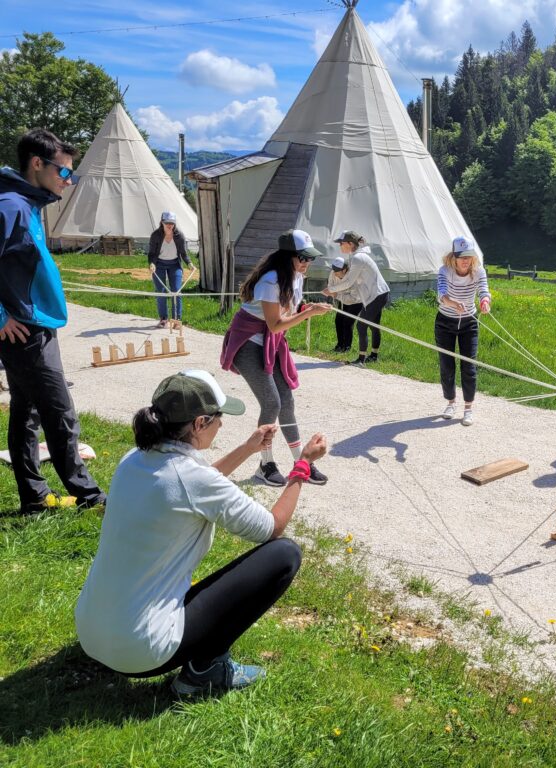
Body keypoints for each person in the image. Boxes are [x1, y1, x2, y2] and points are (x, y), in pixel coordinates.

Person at [75, 369, 327, 695]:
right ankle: (204, 671)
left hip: (92, 631)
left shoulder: (133, 459)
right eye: (217, 417)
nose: (221, 423)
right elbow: (273, 527)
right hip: (141, 650)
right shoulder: (191, 479)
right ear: (198, 424)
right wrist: (302, 464)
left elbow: (193, 483)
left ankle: (196, 665)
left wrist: (249, 448)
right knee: (284, 554)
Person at [0, 128, 106, 514]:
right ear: (36, 164)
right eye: (64, 172)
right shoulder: (10, 205)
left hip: (37, 324)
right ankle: (89, 497)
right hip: (24, 329)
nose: (68, 181)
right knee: (59, 413)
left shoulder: (29, 203)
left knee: (26, 414)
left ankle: (34, 498)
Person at [221, 229, 331, 487]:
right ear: (288, 256)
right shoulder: (271, 280)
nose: (307, 263)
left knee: (287, 401)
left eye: (310, 258)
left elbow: (289, 311)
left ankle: (301, 462)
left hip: (271, 343)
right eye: (302, 257)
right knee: (272, 403)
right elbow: (274, 324)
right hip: (248, 344)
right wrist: (309, 314)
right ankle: (265, 464)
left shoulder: (296, 277)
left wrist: (307, 309)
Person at [434, 236, 491, 426]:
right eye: (461, 257)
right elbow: (441, 293)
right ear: (454, 257)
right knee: (447, 365)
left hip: (469, 323)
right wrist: (451, 302)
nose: (465, 260)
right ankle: (450, 403)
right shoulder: (444, 271)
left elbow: (483, 289)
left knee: (469, 367)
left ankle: (468, 408)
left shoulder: (478, 271)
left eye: (469, 256)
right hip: (445, 322)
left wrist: (484, 301)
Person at [322, 230, 390, 366]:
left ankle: (361, 360)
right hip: (377, 294)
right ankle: (373, 356)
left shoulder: (358, 258)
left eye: (341, 243)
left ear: (349, 243)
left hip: (377, 295)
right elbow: (349, 281)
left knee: (361, 325)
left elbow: (348, 282)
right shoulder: (356, 257)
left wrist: (331, 290)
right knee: (374, 326)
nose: (340, 245)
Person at [148, 211, 194, 328]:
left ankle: (176, 320)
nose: (169, 226)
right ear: (162, 223)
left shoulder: (179, 236)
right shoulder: (155, 235)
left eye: (172, 223)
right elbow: (152, 253)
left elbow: (184, 253)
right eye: (167, 223)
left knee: (176, 291)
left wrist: (189, 263)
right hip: (159, 264)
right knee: (161, 292)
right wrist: (152, 264)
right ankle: (163, 319)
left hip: (175, 264)